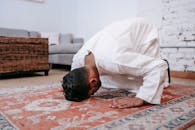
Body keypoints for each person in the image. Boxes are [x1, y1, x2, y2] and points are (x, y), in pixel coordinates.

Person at [62, 18, 170, 108]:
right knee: (109, 81)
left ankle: (164, 74)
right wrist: (69, 88)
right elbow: (74, 76)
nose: (95, 93)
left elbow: (157, 67)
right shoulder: (78, 59)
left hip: (143, 33)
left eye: (92, 92)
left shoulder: (115, 60)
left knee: (149, 80)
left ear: (92, 81)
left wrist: (141, 98)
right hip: (118, 37)